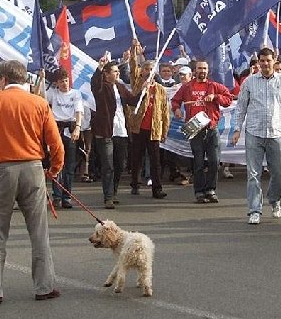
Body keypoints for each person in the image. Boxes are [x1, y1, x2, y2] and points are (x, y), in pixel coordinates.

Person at [0, 59, 64, 304]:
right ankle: (44, 286)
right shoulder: (40, 103)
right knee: (39, 232)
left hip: (1, 170)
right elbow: (56, 143)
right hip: (33, 169)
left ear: (2, 79)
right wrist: (54, 169)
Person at [232, 47, 281, 224]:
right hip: (254, 132)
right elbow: (240, 108)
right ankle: (255, 210)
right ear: (258, 62)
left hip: (276, 133)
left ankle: (275, 201)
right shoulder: (249, 82)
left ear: (274, 60)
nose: (265, 63)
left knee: (278, 173)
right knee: (253, 173)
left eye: (268, 60)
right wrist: (237, 129)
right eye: (262, 60)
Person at [171, 59, 233, 204]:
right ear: (195, 70)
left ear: (208, 70)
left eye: (204, 68)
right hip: (195, 130)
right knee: (198, 163)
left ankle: (210, 190)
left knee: (214, 161)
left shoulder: (214, 86)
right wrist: (177, 109)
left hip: (211, 128)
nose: (202, 71)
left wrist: (216, 97)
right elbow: (175, 101)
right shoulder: (187, 87)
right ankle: (199, 192)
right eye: (200, 68)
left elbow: (228, 99)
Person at [91, 57, 140, 209]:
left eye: (118, 71)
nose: (118, 74)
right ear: (106, 74)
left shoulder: (120, 87)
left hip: (121, 131)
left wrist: (144, 89)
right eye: (114, 71)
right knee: (108, 166)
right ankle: (108, 197)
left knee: (120, 164)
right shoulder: (101, 87)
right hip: (106, 132)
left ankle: (114, 190)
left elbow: (132, 100)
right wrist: (99, 68)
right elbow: (95, 83)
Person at [127, 58, 169, 199]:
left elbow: (164, 111)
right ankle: (135, 183)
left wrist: (164, 130)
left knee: (155, 160)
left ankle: (157, 189)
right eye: (146, 69)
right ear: (142, 71)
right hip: (138, 128)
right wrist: (135, 51)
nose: (149, 72)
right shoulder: (137, 84)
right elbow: (133, 68)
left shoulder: (160, 89)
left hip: (154, 129)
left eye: (151, 69)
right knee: (136, 158)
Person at [45, 68, 83, 209]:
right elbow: (39, 97)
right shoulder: (53, 93)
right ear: (57, 83)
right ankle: (57, 195)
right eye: (61, 81)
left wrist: (78, 127)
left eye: (66, 81)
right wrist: (41, 78)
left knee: (69, 165)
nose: (65, 84)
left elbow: (79, 111)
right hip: (57, 130)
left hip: (70, 130)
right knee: (56, 164)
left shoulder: (75, 94)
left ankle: (67, 196)